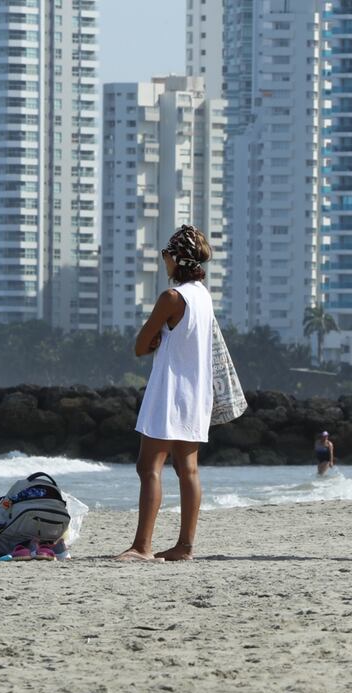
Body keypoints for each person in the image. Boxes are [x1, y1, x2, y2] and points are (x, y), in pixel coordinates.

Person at [116, 225, 215, 563]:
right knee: (188, 469)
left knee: (148, 467)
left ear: (175, 258)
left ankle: (142, 546)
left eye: (166, 256)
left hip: (169, 391)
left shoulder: (172, 297)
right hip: (196, 393)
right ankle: (184, 546)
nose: (164, 262)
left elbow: (140, 346)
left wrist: (155, 339)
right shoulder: (203, 296)